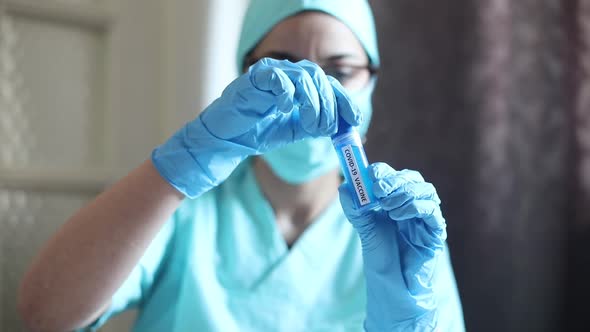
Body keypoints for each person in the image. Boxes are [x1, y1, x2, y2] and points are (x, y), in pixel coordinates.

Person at [18, 0, 465, 331]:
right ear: (244, 76)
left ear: (372, 81)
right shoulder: (183, 209)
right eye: (287, 69)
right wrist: (181, 166)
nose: (316, 96)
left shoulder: (400, 229)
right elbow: (43, 314)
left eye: (341, 71)